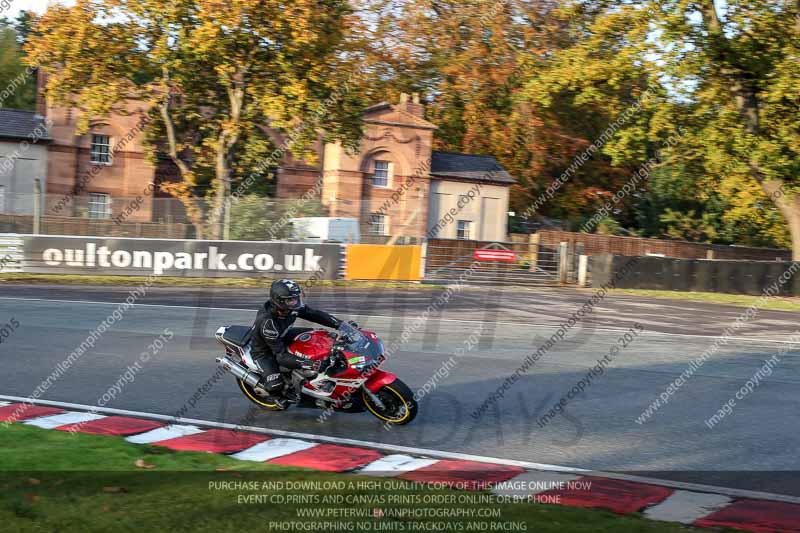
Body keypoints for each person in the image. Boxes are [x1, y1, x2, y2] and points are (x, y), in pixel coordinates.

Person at [250, 279, 347, 404]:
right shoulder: (268, 323)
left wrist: (340, 325)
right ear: (279, 301)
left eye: (296, 297)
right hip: (265, 351)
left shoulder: (290, 308)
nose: (295, 301)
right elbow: (281, 356)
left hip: (284, 334)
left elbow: (314, 314)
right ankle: (276, 397)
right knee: (275, 385)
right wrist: (312, 364)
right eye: (291, 299)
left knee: (321, 335)